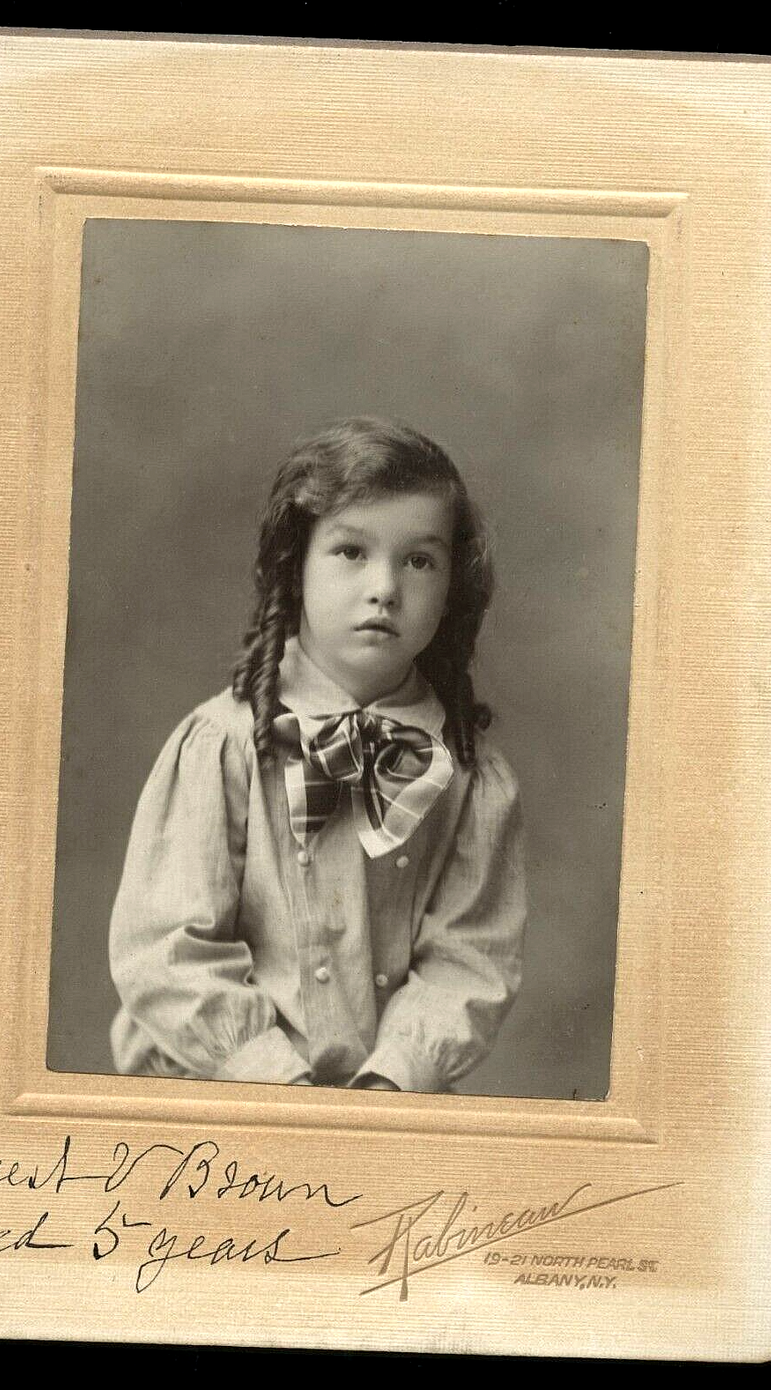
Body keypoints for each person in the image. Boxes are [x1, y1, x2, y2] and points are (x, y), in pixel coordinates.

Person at [109, 416, 527, 1092]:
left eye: (419, 560)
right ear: (295, 568)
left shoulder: (469, 777)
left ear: (451, 588)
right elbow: (168, 951)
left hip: (384, 1104)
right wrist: (276, 1082)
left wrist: (395, 1079)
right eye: (351, 553)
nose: (385, 587)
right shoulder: (223, 745)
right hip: (215, 1087)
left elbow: (470, 957)